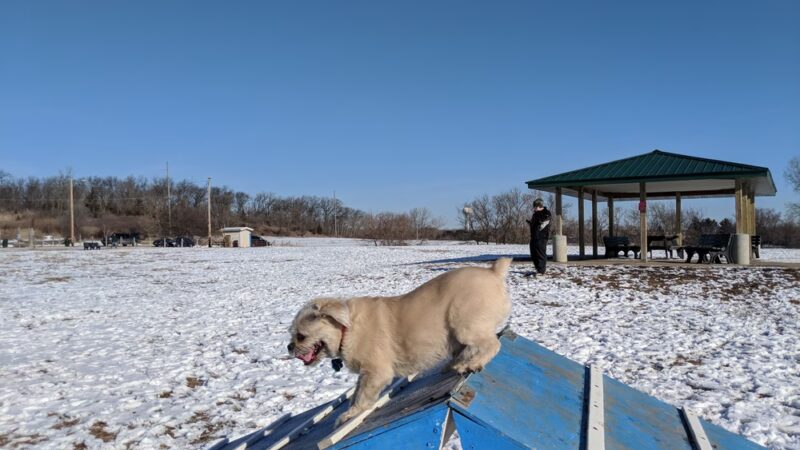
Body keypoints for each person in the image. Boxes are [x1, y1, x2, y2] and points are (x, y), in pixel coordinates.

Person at [527, 198, 551, 277]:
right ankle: (538, 269)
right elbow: (535, 224)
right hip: (534, 236)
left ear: (539, 206)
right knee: (533, 253)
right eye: (534, 207)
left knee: (540, 254)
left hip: (542, 237)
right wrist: (531, 223)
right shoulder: (535, 214)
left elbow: (544, 222)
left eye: (535, 207)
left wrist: (540, 223)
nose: (534, 208)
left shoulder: (546, 213)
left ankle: (541, 271)